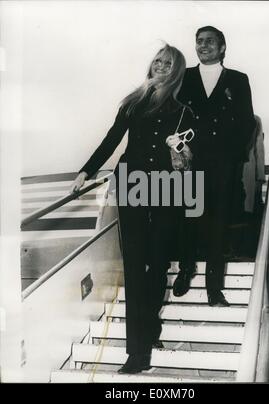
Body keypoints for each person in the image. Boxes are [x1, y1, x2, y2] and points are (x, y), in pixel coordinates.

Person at [70, 44, 196, 374]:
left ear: (176, 70)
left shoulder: (184, 111)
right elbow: (112, 140)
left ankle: (149, 327)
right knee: (136, 265)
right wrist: (87, 170)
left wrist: (181, 150)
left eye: (167, 63)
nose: (160, 66)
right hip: (131, 183)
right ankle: (136, 353)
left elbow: (192, 160)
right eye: (156, 61)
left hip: (168, 186)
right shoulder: (132, 103)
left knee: (156, 264)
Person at [172, 26, 256, 306]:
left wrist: (232, 156)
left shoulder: (238, 79)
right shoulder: (183, 78)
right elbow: (174, 118)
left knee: (218, 224)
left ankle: (213, 287)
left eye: (209, 41)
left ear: (222, 47)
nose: (203, 45)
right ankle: (185, 271)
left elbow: (247, 123)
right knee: (187, 219)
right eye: (199, 41)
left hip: (223, 163)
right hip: (190, 162)